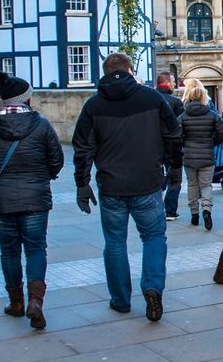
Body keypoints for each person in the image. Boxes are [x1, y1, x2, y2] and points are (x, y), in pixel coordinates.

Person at [73, 53, 181, 322]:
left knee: (115, 242)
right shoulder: (152, 98)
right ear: (131, 71)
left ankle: (121, 300)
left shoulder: (93, 106)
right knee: (154, 237)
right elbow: (173, 135)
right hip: (148, 182)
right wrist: (173, 166)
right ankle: (153, 288)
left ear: (104, 73)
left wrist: (82, 184)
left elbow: (83, 147)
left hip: (111, 185)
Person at [0, 71, 64, 330]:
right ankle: (36, 301)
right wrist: (44, 176)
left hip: (1, 199)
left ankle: (16, 302)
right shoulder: (42, 124)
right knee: (36, 248)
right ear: (26, 99)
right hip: (36, 198)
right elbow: (57, 161)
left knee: (9, 250)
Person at [178, 78, 223, 230]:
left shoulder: (183, 117)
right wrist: (213, 141)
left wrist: (185, 143)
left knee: (192, 185)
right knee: (206, 185)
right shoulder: (212, 115)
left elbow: (177, 135)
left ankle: (194, 214)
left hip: (190, 156)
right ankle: (206, 209)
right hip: (207, 155)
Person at [154, 71, 185, 221]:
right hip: (173, 146)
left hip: (153, 146)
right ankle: (170, 210)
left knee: (156, 177)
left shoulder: (150, 100)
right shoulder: (175, 102)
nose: (175, 85)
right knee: (175, 179)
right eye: (173, 82)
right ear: (167, 82)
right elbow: (181, 126)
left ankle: (156, 208)